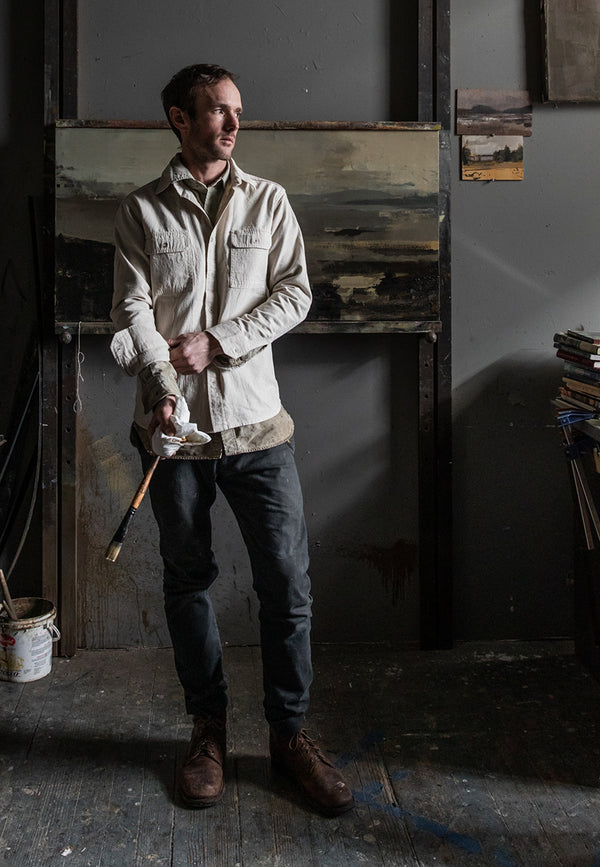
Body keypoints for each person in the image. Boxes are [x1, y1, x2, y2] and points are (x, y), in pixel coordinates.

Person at [109, 64, 354, 816]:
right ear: (179, 118)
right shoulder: (141, 211)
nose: (233, 123)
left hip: (258, 426)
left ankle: (289, 735)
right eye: (217, 110)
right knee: (188, 580)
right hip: (173, 435)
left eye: (237, 110)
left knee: (287, 582)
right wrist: (163, 384)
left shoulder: (269, 201)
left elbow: (294, 294)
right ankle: (207, 732)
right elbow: (133, 311)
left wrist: (216, 342)